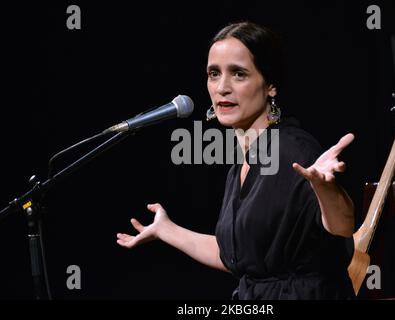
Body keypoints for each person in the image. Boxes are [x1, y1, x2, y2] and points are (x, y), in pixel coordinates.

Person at [116, 21, 356, 300]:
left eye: (238, 74)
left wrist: (328, 191)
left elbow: (343, 227)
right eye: (213, 74)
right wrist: (167, 230)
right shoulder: (244, 163)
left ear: (271, 85)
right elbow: (240, 257)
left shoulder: (293, 150)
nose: (222, 87)